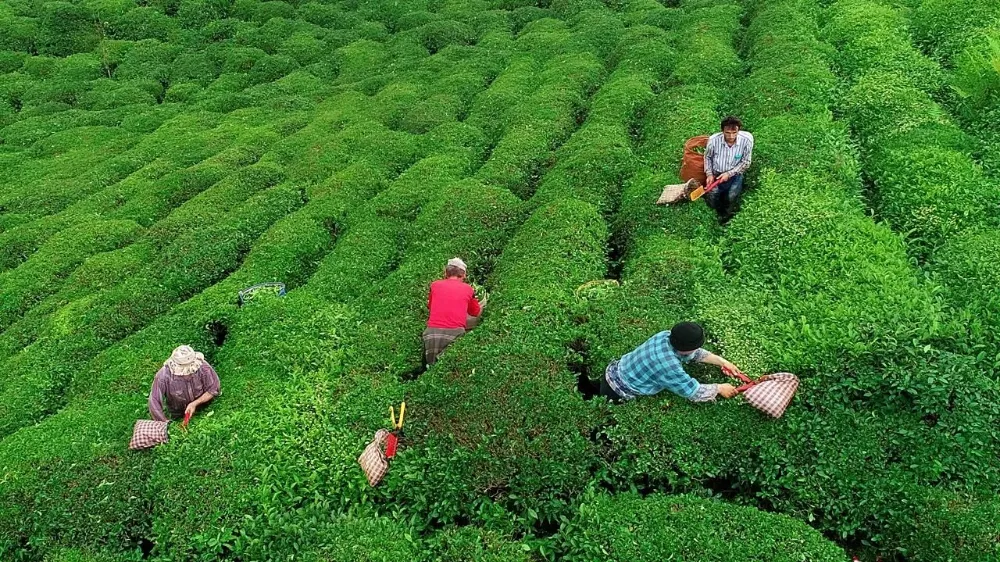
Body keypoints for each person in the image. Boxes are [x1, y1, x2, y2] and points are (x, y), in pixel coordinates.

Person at [599, 322, 740, 404]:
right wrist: (720, 388)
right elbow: (692, 392)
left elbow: (694, 353)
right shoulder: (669, 366)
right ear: (686, 349)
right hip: (618, 391)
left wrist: (723, 362)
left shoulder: (665, 335)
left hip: (613, 371)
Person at [423, 257, 482, 366]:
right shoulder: (468, 289)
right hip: (455, 333)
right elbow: (475, 312)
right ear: (464, 275)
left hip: (431, 333)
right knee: (448, 369)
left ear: (446, 272)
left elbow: (430, 306)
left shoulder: (434, 285)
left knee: (431, 369)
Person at [148, 345, 221, 422]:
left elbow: (214, 388)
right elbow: (154, 400)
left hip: (204, 408)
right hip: (177, 414)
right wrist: (164, 422)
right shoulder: (163, 376)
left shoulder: (203, 367)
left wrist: (195, 403)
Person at [704, 116, 754, 224]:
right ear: (722, 131)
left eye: (734, 132)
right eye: (727, 133)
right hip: (716, 173)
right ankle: (712, 216)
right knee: (712, 195)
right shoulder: (713, 141)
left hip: (735, 174)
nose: (731, 136)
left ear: (738, 131)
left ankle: (726, 216)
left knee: (732, 195)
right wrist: (709, 174)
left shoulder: (747, 140)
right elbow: (707, 157)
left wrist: (729, 173)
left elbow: (746, 162)